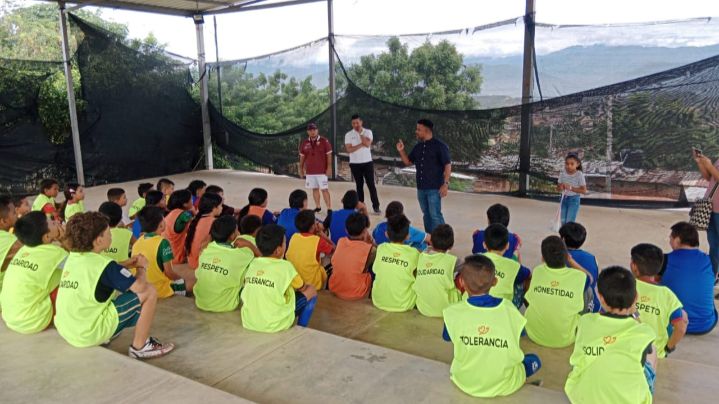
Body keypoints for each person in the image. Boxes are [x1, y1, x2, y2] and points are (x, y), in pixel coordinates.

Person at [54, 212, 175, 359]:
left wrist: (126, 263)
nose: (111, 236)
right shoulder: (105, 265)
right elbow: (140, 288)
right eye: (108, 233)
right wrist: (141, 268)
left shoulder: (74, 257)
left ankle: (109, 333)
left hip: (68, 330)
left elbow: (101, 271)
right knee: (149, 291)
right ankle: (140, 346)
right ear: (98, 240)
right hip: (87, 333)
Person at [443, 255, 541, 398]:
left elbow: (448, 337)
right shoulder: (509, 309)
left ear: (462, 282)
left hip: (464, 381)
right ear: (495, 282)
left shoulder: (452, 312)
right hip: (505, 384)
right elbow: (520, 334)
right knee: (534, 360)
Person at [564, 266, 657, 404]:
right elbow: (640, 329)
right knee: (652, 350)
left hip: (582, 398)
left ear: (601, 298)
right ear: (636, 297)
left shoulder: (585, 321)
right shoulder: (644, 332)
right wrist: (635, 312)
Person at [240, 224, 318, 332]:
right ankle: (301, 328)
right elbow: (302, 288)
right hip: (276, 324)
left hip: (249, 321)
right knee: (312, 290)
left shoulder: (253, 263)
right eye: (285, 243)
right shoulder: (286, 267)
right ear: (278, 250)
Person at [0, 212, 67, 334]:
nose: (57, 222)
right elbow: (79, 266)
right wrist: (64, 240)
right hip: (33, 321)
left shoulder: (23, 250)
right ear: (46, 237)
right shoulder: (55, 254)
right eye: (52, 222)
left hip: (10, 318)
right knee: (70, 282)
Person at [524, 236, 593, 348]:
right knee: (588, 290)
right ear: (566, 255)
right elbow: (590, 277)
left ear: (542, 258)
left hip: (533, 334)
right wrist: (571, 261)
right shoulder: (579, 276)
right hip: (565, 339)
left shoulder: (538, 271)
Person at [659, 221, 718, 334]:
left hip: (672, 325)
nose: (670, 241)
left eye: (670, 238)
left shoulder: (665, 259)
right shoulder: (708, 260)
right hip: (705, 325)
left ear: (677, 240)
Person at [630, 243, 687, 358]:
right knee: (682, 315)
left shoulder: (625, 286)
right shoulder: (667, 294)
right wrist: (668, 348)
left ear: (634, 266)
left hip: (628, 349)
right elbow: (681, 328)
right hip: (655, 353)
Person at [395, 119, 451, 233]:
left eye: (419, 129)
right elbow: (408, 162)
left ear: (426, 130)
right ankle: (430, 239)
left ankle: (443, 239)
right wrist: (401, 151)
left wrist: (445, 184)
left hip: (434, 188)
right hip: (421, 188)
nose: (416, 132)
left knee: (435, 214)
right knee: (426, 214)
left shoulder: (440, 146)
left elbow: (447, 165)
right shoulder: (418, 147)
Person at [195, 216, 254, 313]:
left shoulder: (206, 249)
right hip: (225, 305)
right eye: (236, 230)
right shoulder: (241, 254)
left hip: (201, 302)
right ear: (232, 236)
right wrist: (250, 245)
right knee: (248, 268)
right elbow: (262, 261)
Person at [132, 206, 194, 297]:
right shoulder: (162, 242)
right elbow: (169, 272)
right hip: (159, 290)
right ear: (161, 225)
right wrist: (180, 280)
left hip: (141, 288)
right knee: (193, 283)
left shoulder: (137, 242)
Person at [371, 214, 420, 312]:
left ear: (387, 234)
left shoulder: (381, 248)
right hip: (404, 304)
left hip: (378, 301)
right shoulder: (414, 253)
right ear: (408, 236)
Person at [414, 224, 460, 317]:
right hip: (447, 309)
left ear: (430, 242)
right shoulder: (453, 260)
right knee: (463, 277)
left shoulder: (420, 256)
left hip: (422, 308)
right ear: (451, 246)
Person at [482, 224, 531, 308]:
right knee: (519, 279)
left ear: (484, 244)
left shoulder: (475, 259)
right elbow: (528, 274)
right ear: (507, 245)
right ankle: (528, 306)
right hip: (503, 309)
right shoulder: (513, 265)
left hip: (473, 306)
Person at [329, 212, 375, 300]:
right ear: (365, 231)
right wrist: (371, 242)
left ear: (346, 230)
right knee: (373, 268)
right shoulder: (370, 249)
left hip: (335, 288)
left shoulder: (340, 241)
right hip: (356, 293)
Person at [285, 210, 334, 290]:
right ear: (312, 227)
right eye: (315, 222)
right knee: (329, 261)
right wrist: (323, 235)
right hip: (312, 284)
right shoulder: (318, 241)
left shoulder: (294, 237)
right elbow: (335, 250)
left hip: (295, 282)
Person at [560, 222, 600, 312]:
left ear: (563, 239)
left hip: (568, 304)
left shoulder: (558, 258)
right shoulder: (592, 258)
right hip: (591, 304)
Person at [345, 114, 381, 214]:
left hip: (367, 163)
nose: (355, 125)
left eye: (357, 122)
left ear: (361, 122)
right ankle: (361, 206)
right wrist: (361, 144)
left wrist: (361, 134)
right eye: (353, 123)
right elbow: (349, 149)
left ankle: (376, 207)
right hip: (354, 163)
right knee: (359, 185)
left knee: (371, 185)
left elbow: (368, 144)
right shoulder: (348, 134)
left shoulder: (368, 132)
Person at [693, 149, 719, 273]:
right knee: (713, 244)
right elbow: (710, 178)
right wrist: (700, 163)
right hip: (711, 208)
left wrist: (709, 164)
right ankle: (714, 273)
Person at [298, 122, 332, 213]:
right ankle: (318, 206)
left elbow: (329, 155)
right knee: (314, 188)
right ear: (308, 132)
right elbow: (302, 157)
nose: (313, 132)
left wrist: (329, 167)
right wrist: (300, 168)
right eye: (310, 130)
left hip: (322, 171)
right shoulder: (305, 143)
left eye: (314, 130)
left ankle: (329, 208)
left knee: (324, 189)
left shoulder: (324, 141)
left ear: (317, 130)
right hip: (310, 171)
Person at [185, 193, 223, 270]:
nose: (222, 208)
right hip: (202, 265)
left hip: (192, 262)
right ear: (214, 208)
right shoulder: (215, 222)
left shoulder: (196, 220)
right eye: (221, 205)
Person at [0, 197, 23, 307]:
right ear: (3, 221)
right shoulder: (10, 242)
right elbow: (37, 254)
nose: (18, 216)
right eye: (14, 213)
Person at [163, 190, 194, 265]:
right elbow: (197, 225)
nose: (192, 201)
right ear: (185, 204)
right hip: (177, 257)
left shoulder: (171, 213)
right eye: (191, 199)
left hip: (166, 254)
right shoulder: (184, 215)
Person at [558, 152, 587, 224]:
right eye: (567, 164)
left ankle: (569, 235)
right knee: (563, 222)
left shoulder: (579, 174)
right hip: (563, 199)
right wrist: (560, 187)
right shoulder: (562, 173)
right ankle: (564, 235)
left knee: (569, 222)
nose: (569, 166)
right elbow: (558, 188)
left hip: (574, 200)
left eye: (572, 164)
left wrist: (570, 188)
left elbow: (584, 191)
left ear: (577, 164)